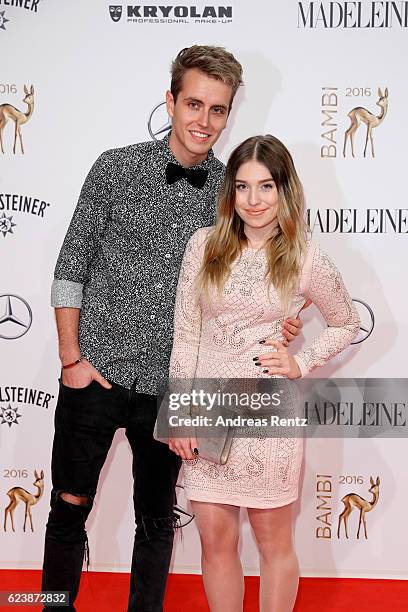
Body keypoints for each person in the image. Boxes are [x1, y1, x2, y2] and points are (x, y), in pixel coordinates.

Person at [41, 47, 303, 612]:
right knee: (68, 506)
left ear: (230, 114)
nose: (204, 121)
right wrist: (70, 359)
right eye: (193, 104)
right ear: (170, 101)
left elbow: (265, 276)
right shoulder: (113, 167)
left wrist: (282, 323)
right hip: (97, 375)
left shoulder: (232, 195)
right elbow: (70, 268)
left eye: (218, 109)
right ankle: (47, 606)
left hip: (176, 391)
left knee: (158, 522)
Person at [167, 135, 360, 612]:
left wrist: (302, 362)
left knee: (274, 544)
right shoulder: (204, 245)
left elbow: (347, 321)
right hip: (208, 408)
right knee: (214, 542)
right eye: (242, 187)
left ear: (285, 190)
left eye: (266, 186)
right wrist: (179, 413)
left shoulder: (305, 255)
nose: (253, 201)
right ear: (229, 193)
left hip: (269, 411)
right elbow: (186, 334)